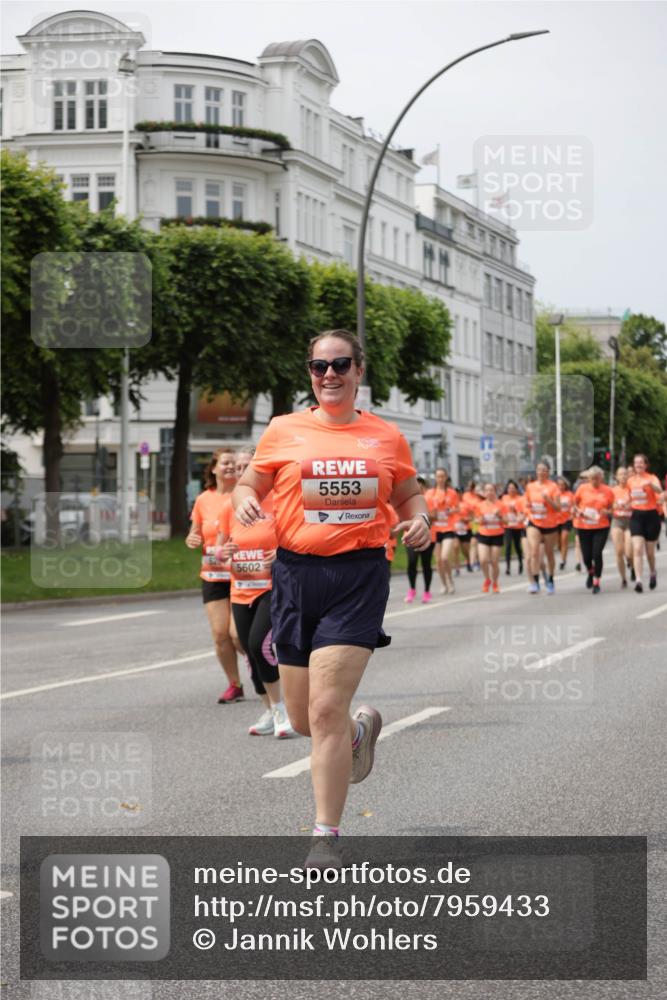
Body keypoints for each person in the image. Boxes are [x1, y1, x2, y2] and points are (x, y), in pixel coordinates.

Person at [232, 329, 431, 866]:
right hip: (296, 577)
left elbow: (408, 493)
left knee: (324, 709)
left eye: (341, 365)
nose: (330, 376)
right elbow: (249, 482)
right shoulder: (284, 429)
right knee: (300, 720)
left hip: (359, 576)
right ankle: (359, 734)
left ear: (359, 371)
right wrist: (247, 498)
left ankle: (325, 836)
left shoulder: (386, 437)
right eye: (319, 367)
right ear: (310, 374)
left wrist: (420, 520)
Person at [217, 491, 295, 738]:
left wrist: (283, 553)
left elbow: (299, 539)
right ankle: (270, 710)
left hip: (273, 586)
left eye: (247, 467)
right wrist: (222, 553)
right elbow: (217, 552)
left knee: (258, 644)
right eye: (240, 469)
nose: (243, 473)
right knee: (247, 648)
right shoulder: (229, 506)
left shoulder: (280, 501)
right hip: (240, 590)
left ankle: (281, 710)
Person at [186, 448, 244, 703]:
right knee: (220, 635)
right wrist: (192, 538)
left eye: (234, 463)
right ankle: (235, 684)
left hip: (244, 574)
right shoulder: (203, 500)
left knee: (238, 635)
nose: (230, 467)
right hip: (212, 574)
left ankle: (260, 665)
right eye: (225, 463)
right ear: (214, 468)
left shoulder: (244, 497)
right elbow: (195, 532)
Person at [572, 466, 615, 594]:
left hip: (601, 526)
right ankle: (591, 572)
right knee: (586, 557)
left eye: (596, 478)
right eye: (591, 478)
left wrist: (607, 511)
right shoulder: (582, 489)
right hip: (584, 526)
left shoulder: (607, 490)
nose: (594, 481)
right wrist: (578, 511)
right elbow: (574, 504)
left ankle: (597, 581)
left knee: (597, 553)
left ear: (601, 478)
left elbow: (613, 508)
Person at [627, 453, 665, 592]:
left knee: (649, 553)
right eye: (636, 463)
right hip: (636, 516)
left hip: (651, 517)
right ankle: (638, 580)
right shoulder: (630, 480)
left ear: (646, 465)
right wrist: (625, 504)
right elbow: (629, 496)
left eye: (641, 463)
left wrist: (651, 485)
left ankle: (653, 572)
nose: (638, 465)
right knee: (637, 549)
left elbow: (661, 492)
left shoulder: (652, 478)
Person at [524, 461, 561, 594]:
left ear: (548, 472)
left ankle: (550, 580)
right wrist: (528, 509)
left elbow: (558, 508)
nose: (542, 472)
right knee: (534, 552)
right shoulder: (530, 486)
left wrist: (548, 500)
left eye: (544, 470)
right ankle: (535, 582)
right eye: (539, 470)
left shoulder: (553, 487)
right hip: (534, 522)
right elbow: (526, 503)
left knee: (549, 553)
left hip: (550, 524)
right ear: (536, 471)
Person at [424, 467, 459, 594]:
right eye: (438, 476)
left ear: (446, 477)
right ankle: (444, 584)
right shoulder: (429, 494)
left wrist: (451, 511)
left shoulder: (452, 493)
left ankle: (450, 581)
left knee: (444, 558)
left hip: (448, 528)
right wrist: (431, 514)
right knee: (438, 560)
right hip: (434, 529)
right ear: (435, 477)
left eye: (442, 476)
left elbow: (457, 509)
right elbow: (425, 510)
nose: (440, 478)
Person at [404, 478, 435, 603]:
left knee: (426, 564)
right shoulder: (406, 500)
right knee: (412, 562)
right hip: (410, 535)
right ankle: (412, 589)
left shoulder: (429, 500)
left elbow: (434, 517)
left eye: (420, 487)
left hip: (425, 536)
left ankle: (427, 591)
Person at [475, 482, 507, 593]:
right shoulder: (480, 505)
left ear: (495, 491)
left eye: (491, 490)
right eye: (487, 490)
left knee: (494, 561)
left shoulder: (501, 505)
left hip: (497, 534)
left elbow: (506, 521)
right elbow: (477, 520)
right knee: (483, 560)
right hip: (483, 534)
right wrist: (481, 520)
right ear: (484, 493)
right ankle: (487, 579)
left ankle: (495, 582)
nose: (489, 492)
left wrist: (499, 516)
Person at [611, 466, 633, 588]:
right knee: (619, 552)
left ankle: (631, 563)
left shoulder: (632, 489)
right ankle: (623, 578)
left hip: (630, 521)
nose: (623, 477)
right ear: (616, 477)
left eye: (625, 474)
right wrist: (614, 505)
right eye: (621, 474)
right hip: (617, 521)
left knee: (629, 552)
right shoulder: (613, 490)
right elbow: (608, 505)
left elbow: (639, 502)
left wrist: (629, 504)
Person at [501, 479, 524, 576]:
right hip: (507, 525)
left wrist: (514, 510)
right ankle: (508, 567)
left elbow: (522, 512)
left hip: (517, 526)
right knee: (508, 546)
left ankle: (520, 563)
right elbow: (502, 510)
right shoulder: (504, 498)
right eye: (509, 488)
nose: (511, 490)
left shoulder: (520, 499)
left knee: (517, 546)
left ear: (516, 489)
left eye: (513, 488)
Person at [556, 476, 574, 570]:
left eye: (562, 485)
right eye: (559, 485)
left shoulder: (569, 494)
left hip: (567, 519)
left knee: (564, 538)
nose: (561, 486)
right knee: (559, 543)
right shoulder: (555, 494)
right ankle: (562, 553)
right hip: (556, 520)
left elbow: (573, 505)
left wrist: (572, 514)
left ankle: (563, 560)